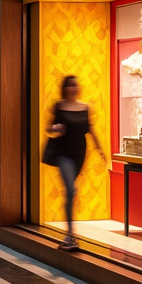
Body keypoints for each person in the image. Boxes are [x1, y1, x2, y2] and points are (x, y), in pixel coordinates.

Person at [48, 76, 105, 251]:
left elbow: (90, 129)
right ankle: (70, 234)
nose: (73, 88)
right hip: (63, 153)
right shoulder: (58, 106)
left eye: (75, 85)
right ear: (65, 88)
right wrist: (56, 128)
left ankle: (70, 233)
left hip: (80, 153)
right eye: (70, 85)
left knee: (71, 191)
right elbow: (48, 128)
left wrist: (100, 150)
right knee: (72, 190)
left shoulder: (86, 108)